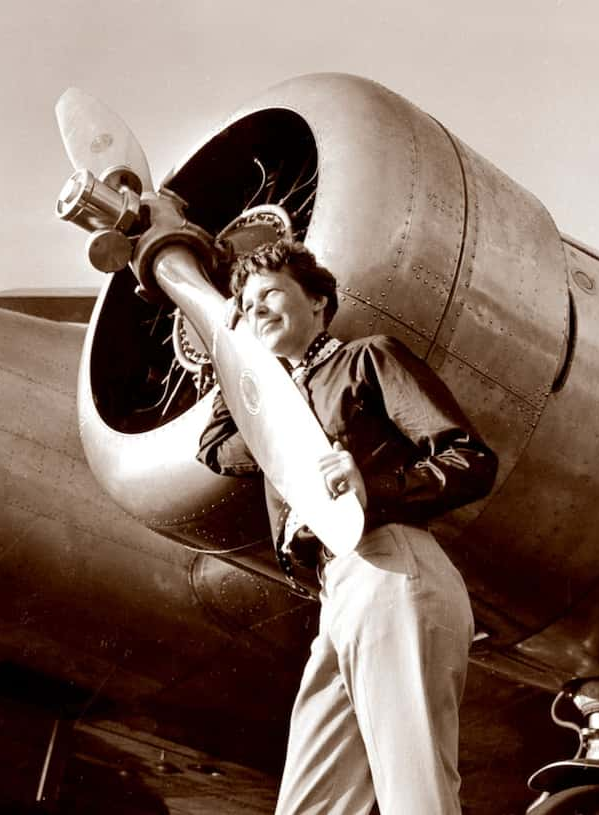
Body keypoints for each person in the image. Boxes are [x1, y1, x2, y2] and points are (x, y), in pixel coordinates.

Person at [197, 239, 498, 815]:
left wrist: (375, 489)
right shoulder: (276, 415)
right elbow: (216, 449)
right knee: (311, 805)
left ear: (318, 302)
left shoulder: (368, 360)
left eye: (271, 293)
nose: (256, 308)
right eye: (246, 302)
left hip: (392, 567)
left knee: (415, 795)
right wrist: (231, 353)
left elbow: (471, 460)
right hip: (337, 595)